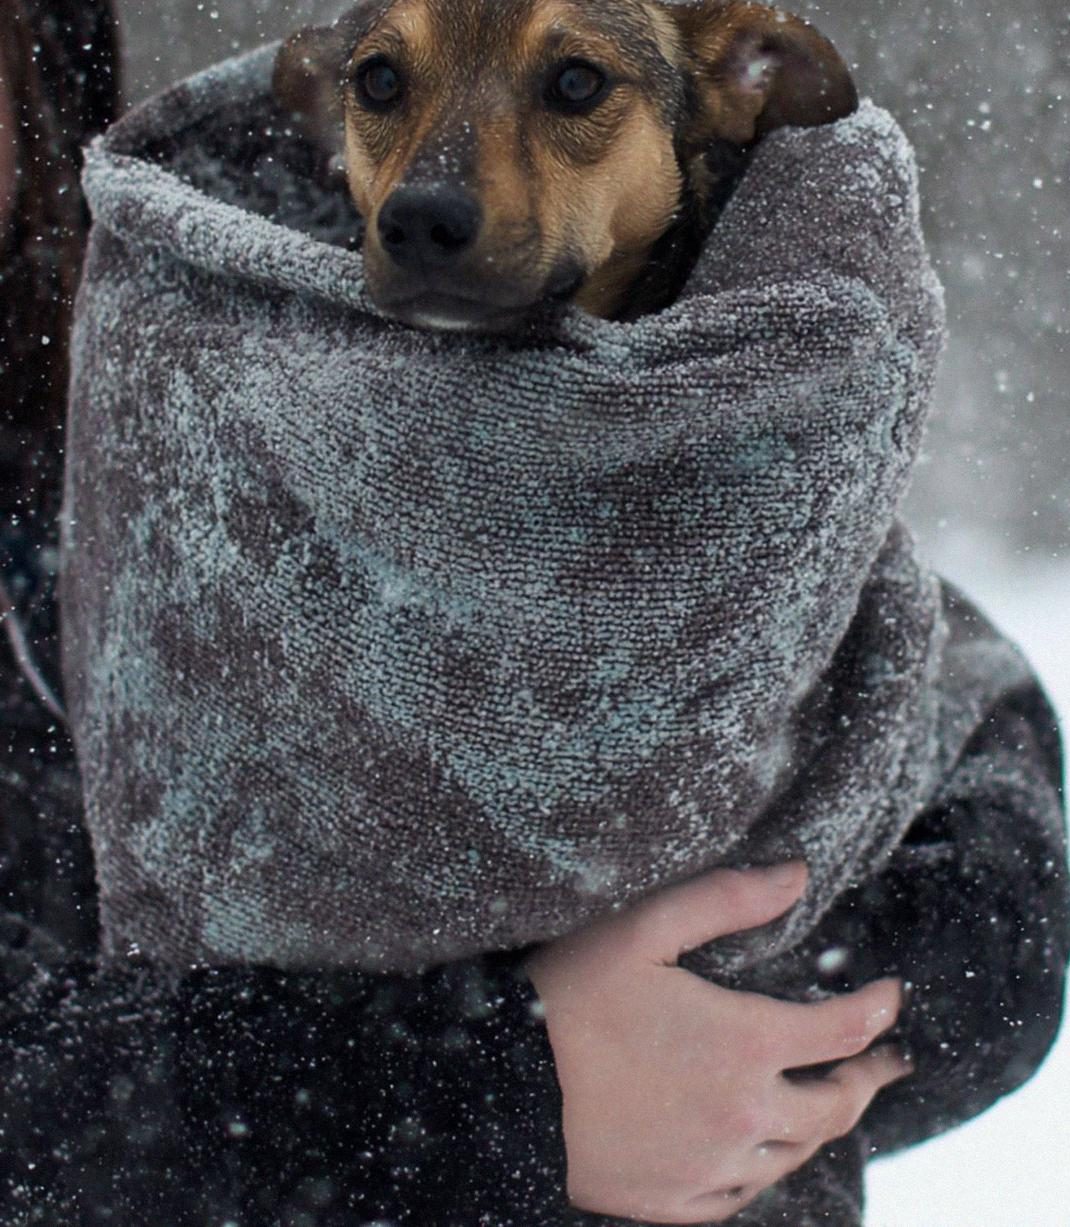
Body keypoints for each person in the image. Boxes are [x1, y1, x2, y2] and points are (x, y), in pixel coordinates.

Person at [0, 5, 1067, 1223]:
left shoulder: (755, 461)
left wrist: (843, 991)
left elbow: (963, 751)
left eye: (569, 90)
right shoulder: (192, 415)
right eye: (386, 88)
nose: (432, 188)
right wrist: (500, 1087)